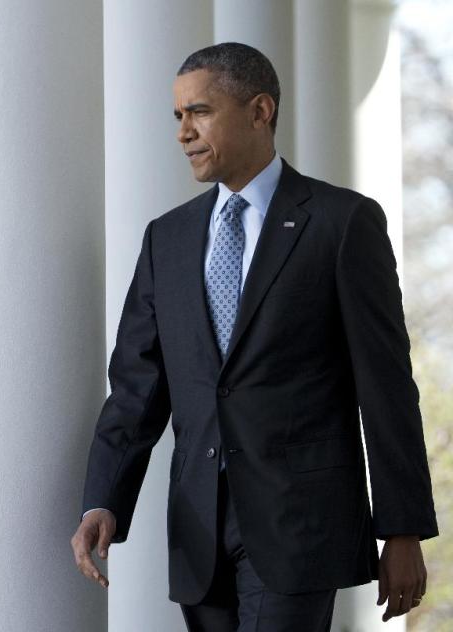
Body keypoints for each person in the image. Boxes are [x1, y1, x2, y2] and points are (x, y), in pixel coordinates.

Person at [70, 42, 439, 632]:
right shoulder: (167, 238)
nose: (184, 132)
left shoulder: (342, 223)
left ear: (260, 110)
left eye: (200, 112)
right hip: (198, 529)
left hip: (301, 526)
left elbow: (387, 386)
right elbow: (138, 386)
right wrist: (104, 499)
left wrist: (401, 528)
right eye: (178, 117)